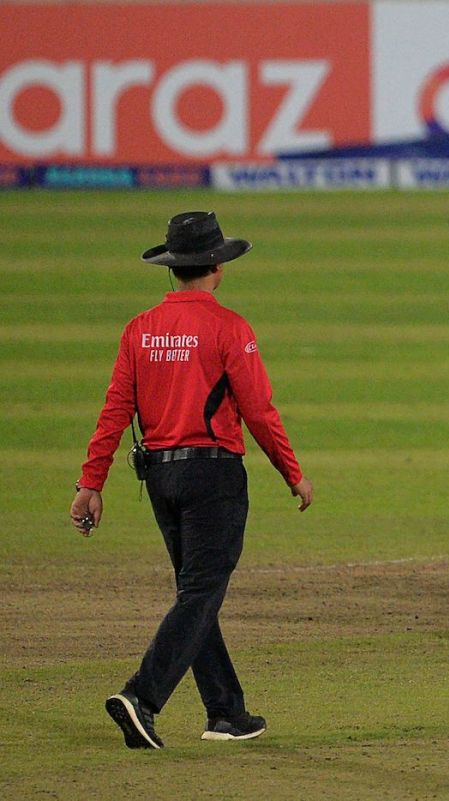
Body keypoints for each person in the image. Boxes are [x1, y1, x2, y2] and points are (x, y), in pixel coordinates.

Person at [70, 211, 313, 748]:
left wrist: (91, 483)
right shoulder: (229, 328)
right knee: (202, 592)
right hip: (214, 476)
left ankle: (226, 712)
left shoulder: (139, 330)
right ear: (217, 266)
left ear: (173, 268)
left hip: (159, 478)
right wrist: (292, 473)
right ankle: (142, 696)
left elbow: (115, 411)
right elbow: (259, 411)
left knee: (195, 594)